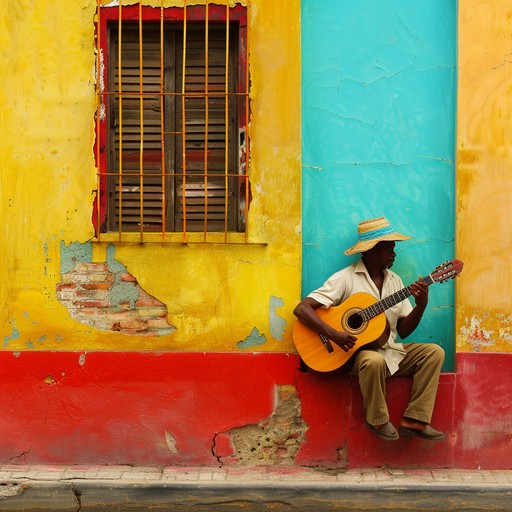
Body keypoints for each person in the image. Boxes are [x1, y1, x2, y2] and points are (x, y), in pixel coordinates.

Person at [293, 217, 445, 441]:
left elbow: (403, 331)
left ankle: (415, 420)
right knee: (373, 360)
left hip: (390, 350)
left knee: (434, 353)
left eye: (394, 248)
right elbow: (302, 309)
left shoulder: (395, 281)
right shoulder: (345, 278)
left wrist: (420, 307)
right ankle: (378, 420)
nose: (394, 253)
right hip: (352, 356)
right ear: (372, 250)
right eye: (388, 248)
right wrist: (334, 334)